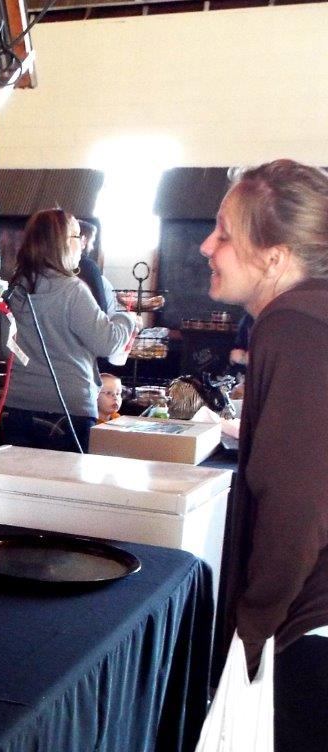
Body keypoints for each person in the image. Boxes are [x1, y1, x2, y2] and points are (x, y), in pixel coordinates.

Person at [203, 159, 328, 752]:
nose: (207, 246)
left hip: (309, 631)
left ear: (275, 258)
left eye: (225, 234)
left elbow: (296, 501)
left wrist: (252, 627)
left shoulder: (292, 325)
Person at [0, 209, 137, 452]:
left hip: (15, 410)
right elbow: (107, 342)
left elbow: (2, 349)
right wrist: (127, 318)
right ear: (61, 243)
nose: (82, 244)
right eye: (77, 236)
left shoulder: (12, 290)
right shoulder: (72, 290)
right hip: (66, 413)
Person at [74, 220, 115, 313]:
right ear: (83, 240)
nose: (92, 247)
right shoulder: (89, 267)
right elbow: (101, 306)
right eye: (91, 242)